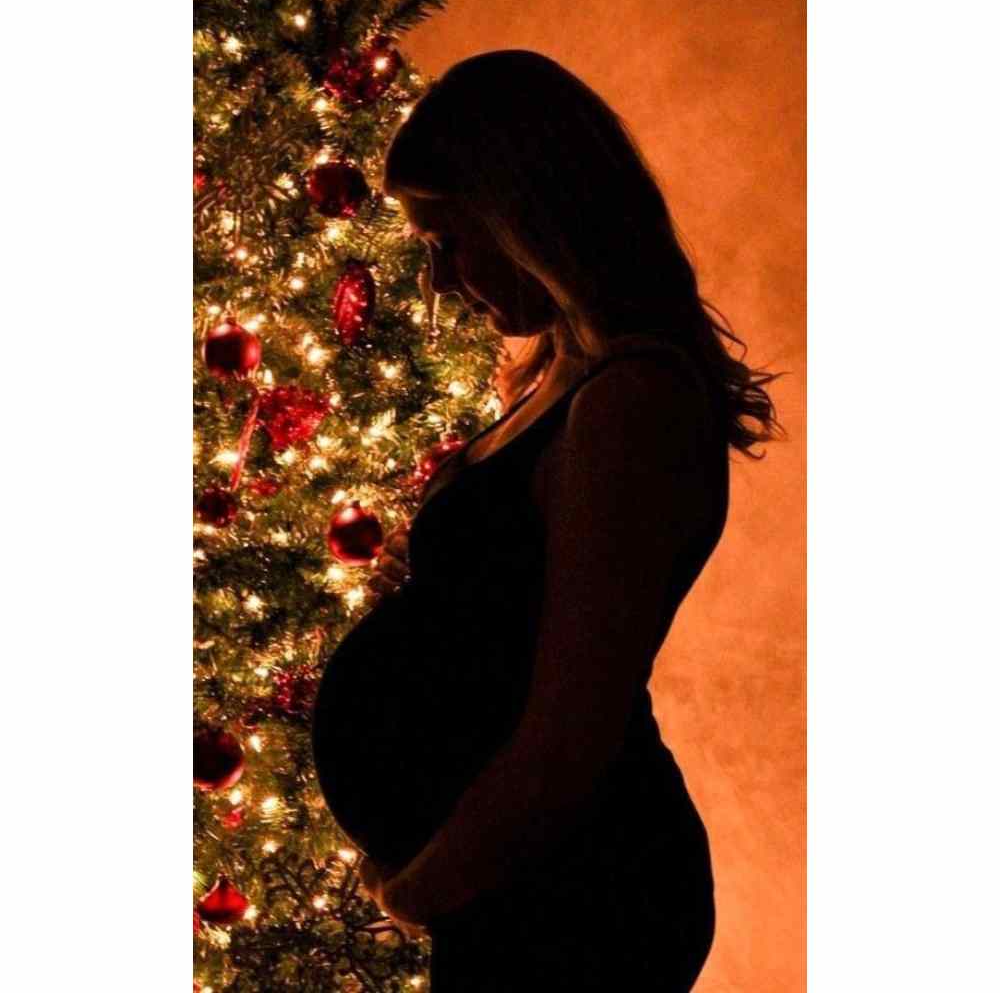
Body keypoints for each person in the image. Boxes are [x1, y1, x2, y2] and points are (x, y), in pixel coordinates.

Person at [311, 49, 787, 992]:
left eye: (452, 239)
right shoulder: (560, 369)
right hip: (524, 880)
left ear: (528, 213)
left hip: (580, 892)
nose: (442, 282)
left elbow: (573, 732)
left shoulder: (634, 402)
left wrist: (420, 889)